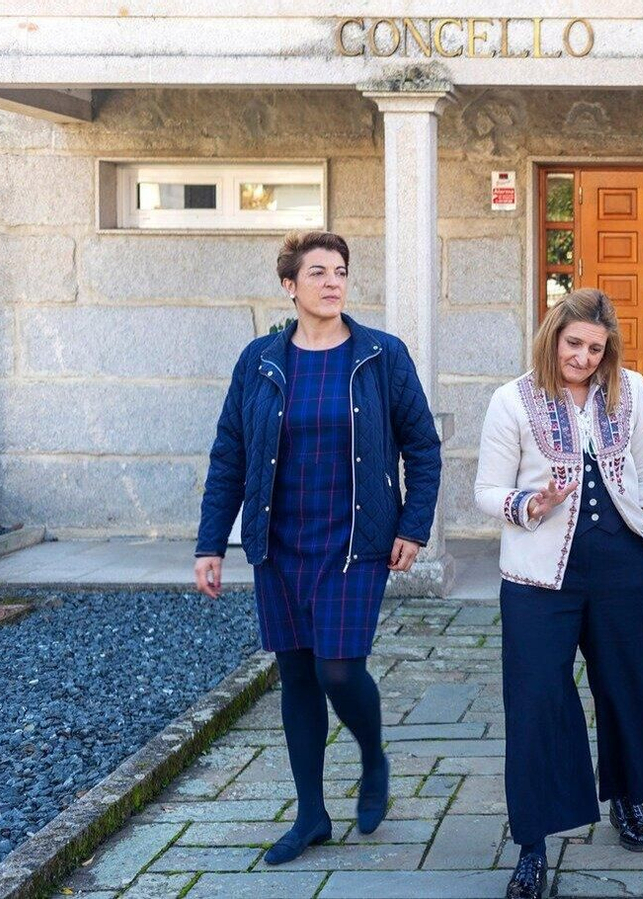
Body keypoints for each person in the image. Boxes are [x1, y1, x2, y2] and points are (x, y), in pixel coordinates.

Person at [193, 231, 442, 865]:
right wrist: (211, 542)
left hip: (355, 541)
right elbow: (230, 454)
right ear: (289, 285)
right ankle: (310, 815)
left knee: (338, 667)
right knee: (297, 675)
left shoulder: (382, 356)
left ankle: (373, 754)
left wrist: (413, 526)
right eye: (317, 272)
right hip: (280, 543)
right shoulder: (260, 361)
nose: (332, 282)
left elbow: (423, 446)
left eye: (339, 272)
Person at [474, 288, 643, 899]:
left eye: (595, 348)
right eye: (574, 343)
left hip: (620, 568)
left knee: (624, 686)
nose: (583, 357)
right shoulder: (512, 400)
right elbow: (485, 490)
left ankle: (627, 799)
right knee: (535, 705)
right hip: (538, 578)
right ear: (553, 335)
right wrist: (531, 504)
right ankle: (533, 844)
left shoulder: (629, 389)